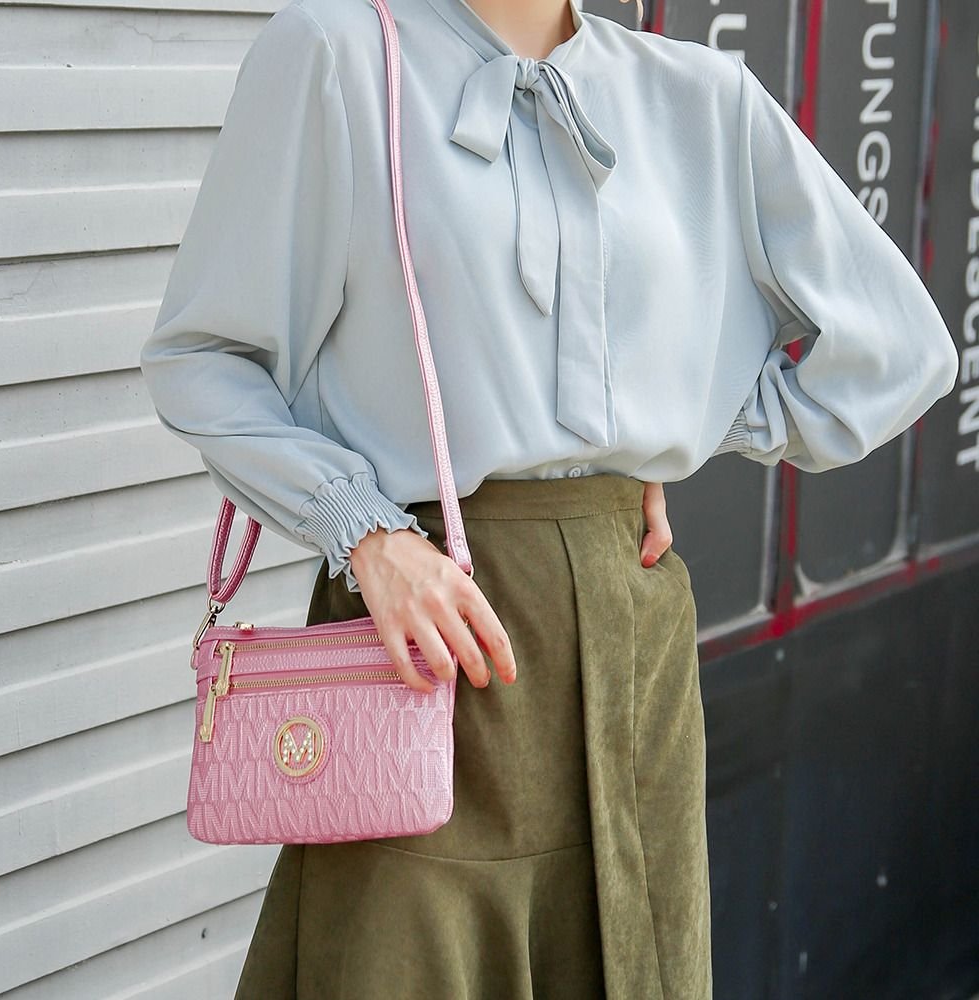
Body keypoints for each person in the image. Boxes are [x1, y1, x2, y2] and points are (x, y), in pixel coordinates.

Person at [138, 0, 959, 996]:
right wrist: (363, 532)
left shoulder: (696, 94)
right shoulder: (336, 51)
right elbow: (204, 358)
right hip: (425, 641)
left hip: (631, 639)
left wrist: (678, 426)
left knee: (629, 957)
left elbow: (896, 346)